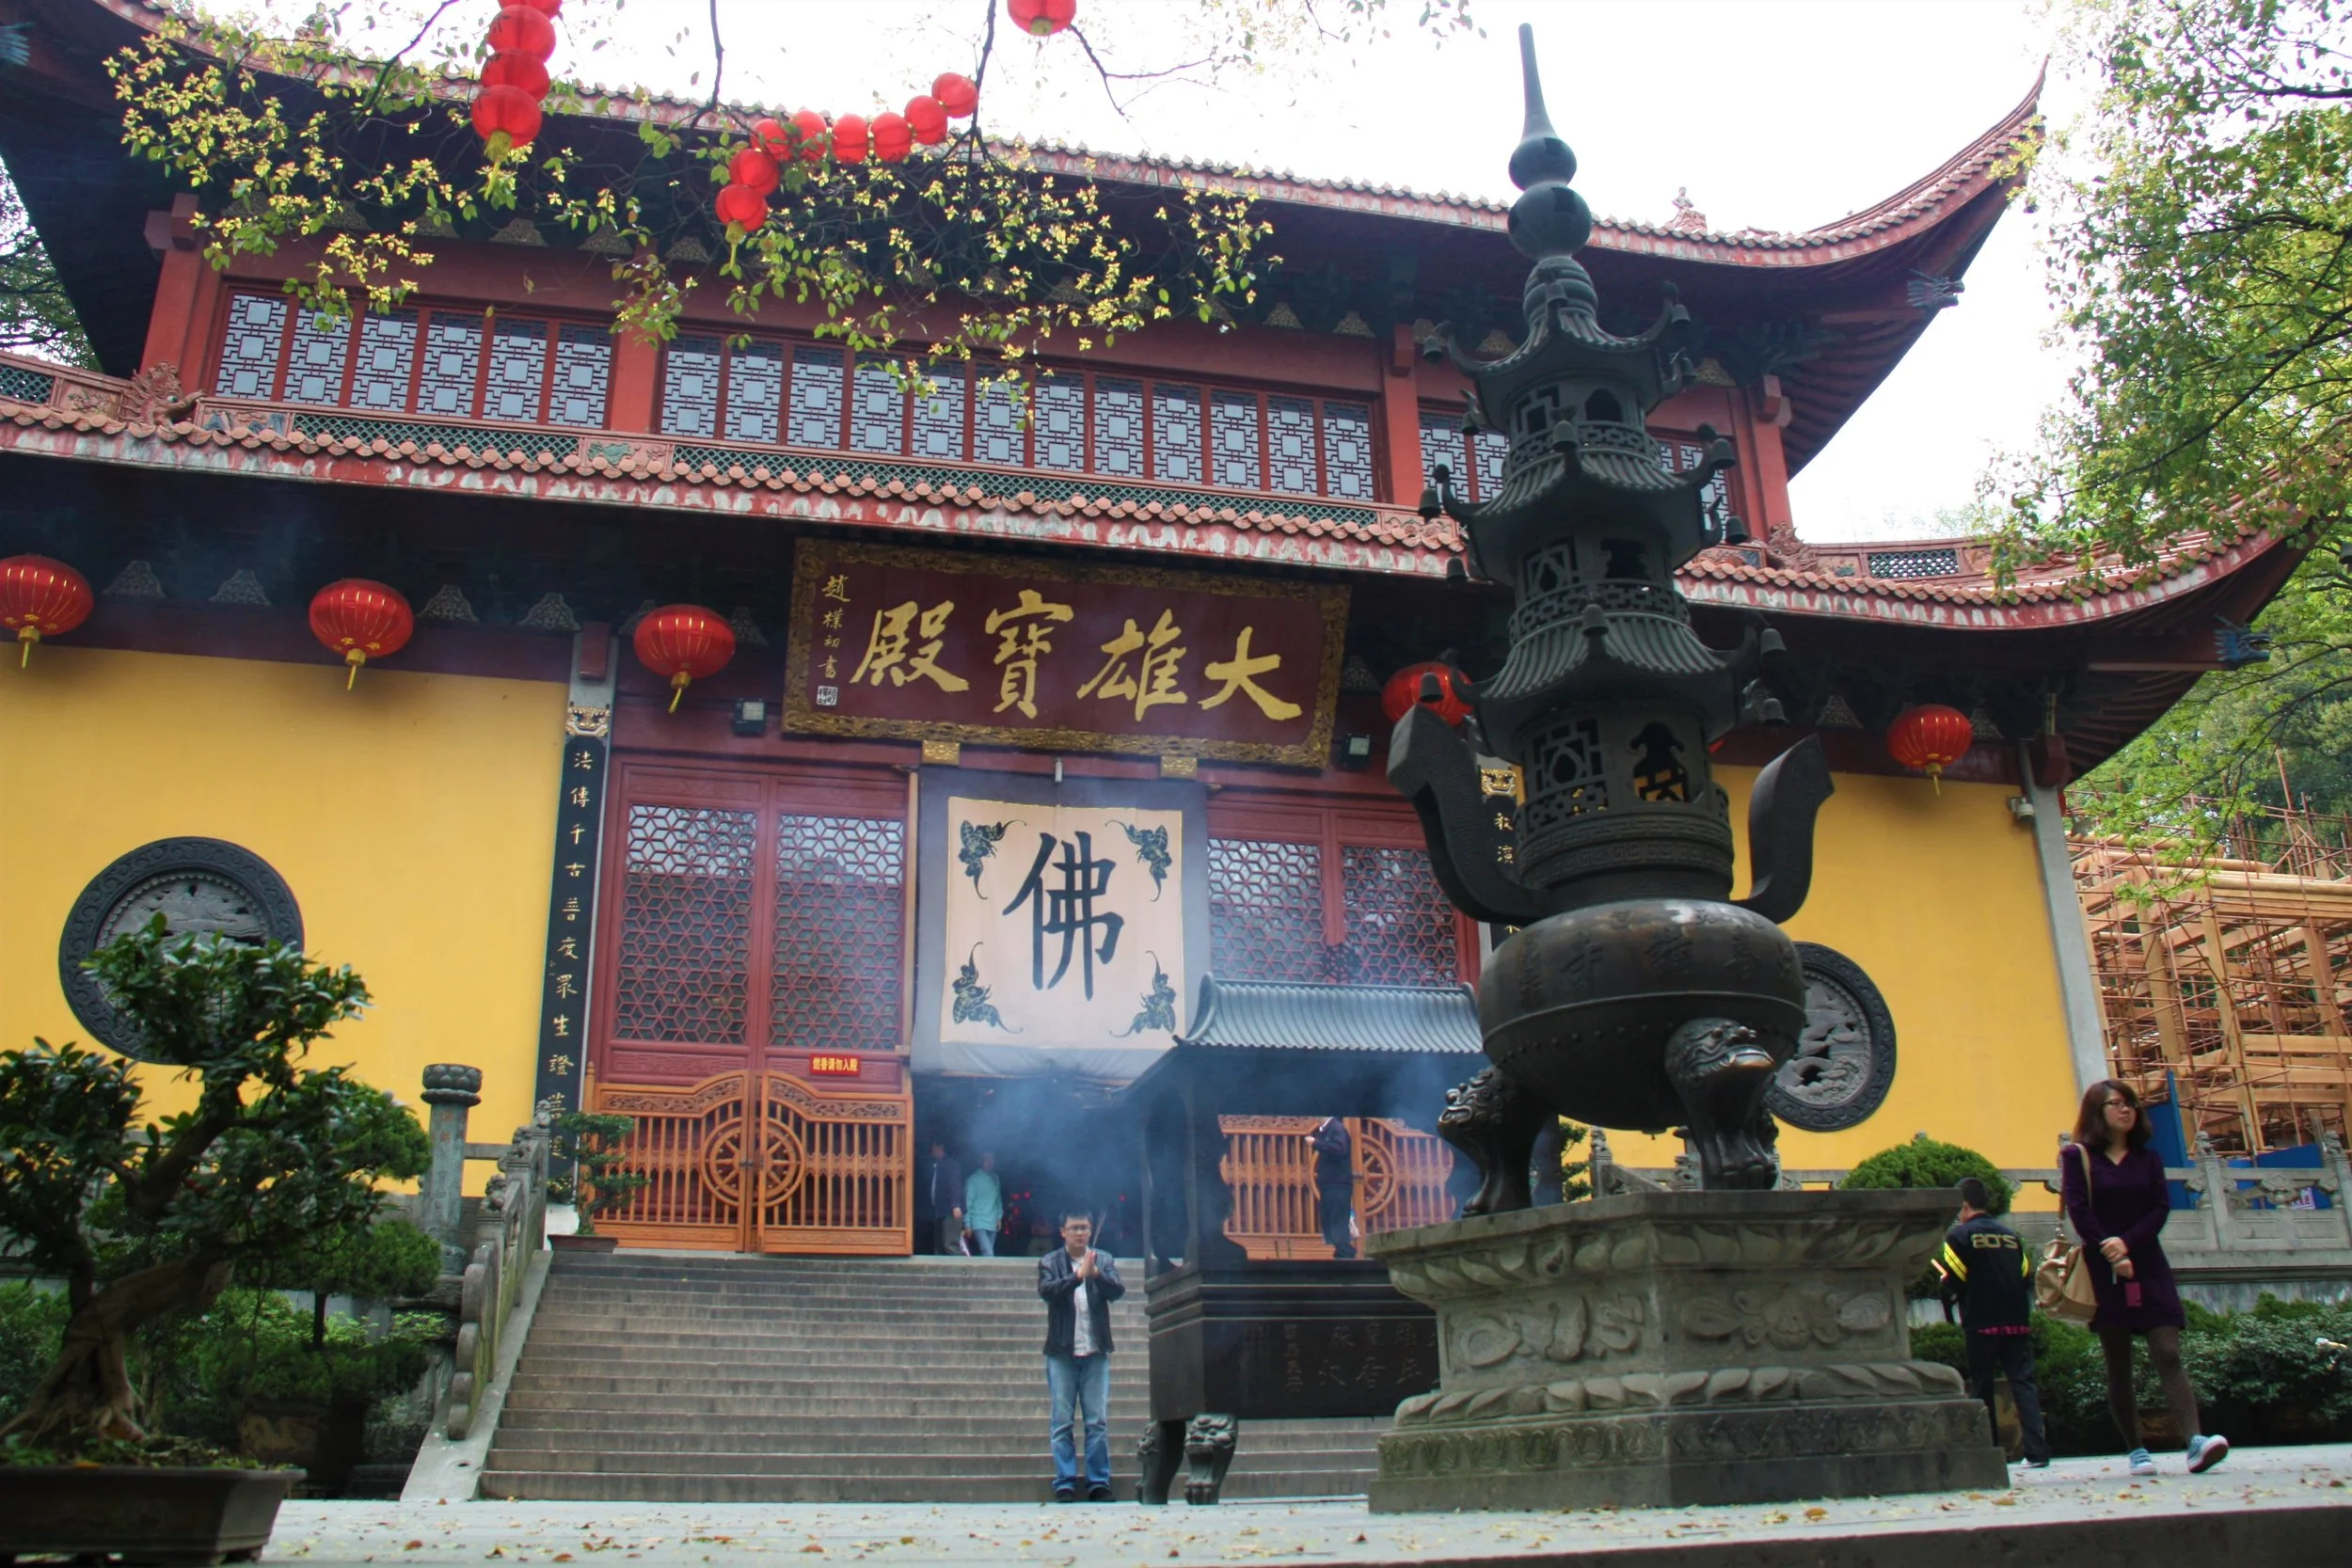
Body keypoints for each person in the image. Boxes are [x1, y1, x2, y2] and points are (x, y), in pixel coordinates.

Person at [2060, 1078, 2229, 1477]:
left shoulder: (2147, 1159)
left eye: (2131, 1103)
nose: (2126, 1110)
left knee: (2167, 1350)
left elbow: (2159, 1208)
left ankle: (2194, 1441)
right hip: (2104, 1267)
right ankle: (2136, 1449)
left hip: (2147, 1262)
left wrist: (2128, 1244)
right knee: (2119, 1362)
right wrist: (2108, 1248)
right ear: (2097, 1112)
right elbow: (2079, 1210)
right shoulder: (2078, 1156)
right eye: (2116, 1103)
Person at [1933, 1176, 2051, 1467]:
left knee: (1982, 1387)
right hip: (2016, 1319)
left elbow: (1955, 1278)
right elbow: (2025, 1275)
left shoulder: (1957, 1238)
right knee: (2023, 1384)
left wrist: (1943, 1282)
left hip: (1981, 1321)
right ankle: (2037, 1453)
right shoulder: (2011, 1237)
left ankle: (1991, 1452)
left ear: (1963, 1205)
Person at [1038, 1209, 1124, 1502]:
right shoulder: (1050, 1261)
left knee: (1096, 1421)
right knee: (1062, 1421)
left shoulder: (1103, 1259)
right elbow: (1048, 1291)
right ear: (1062, 1231)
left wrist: (1095, 1274)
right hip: (1062, 1352)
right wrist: (1077, 1276)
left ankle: (1098, 1481)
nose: (1080, 1233)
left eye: (1084, 1227)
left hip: (1095, 1350)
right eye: (1074, 1227)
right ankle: (1064, 1481)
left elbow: (1117, 1291)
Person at [1308, 1116, 1356, 1259]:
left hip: (1338, 1184)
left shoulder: (1336, 1127)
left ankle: (1346, 1255)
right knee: (1330, 1220)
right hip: (1330, 1184)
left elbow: (1340, 1149)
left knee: (1337, 1220)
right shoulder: (1328, 1129)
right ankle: (1341, 1252)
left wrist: (1316, 1143)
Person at [919, 1140, 964, 1257]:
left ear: (940, 1148)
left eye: (933, 1148)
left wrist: (956, 1205)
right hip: (939, 1211)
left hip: (950, 1210)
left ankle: (961, 1271)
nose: (931, 1151)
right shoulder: (937, 1165)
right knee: (939, 1245)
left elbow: (955, 1185)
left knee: (950, 1245)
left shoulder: (950, 1164)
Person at [965, 1150, 1004, 1257]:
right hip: (978, 1222)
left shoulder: (995, 1178)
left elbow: (998, 1200)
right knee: (988, 1253)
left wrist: (999, 1217)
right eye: (986, 1159)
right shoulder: (973, 1180)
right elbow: (968, 1203)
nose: (990, 1162)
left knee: (987, 1254)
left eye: (992, 1159)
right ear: (980, 1161)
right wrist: (967, 1224)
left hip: (992, 1222)